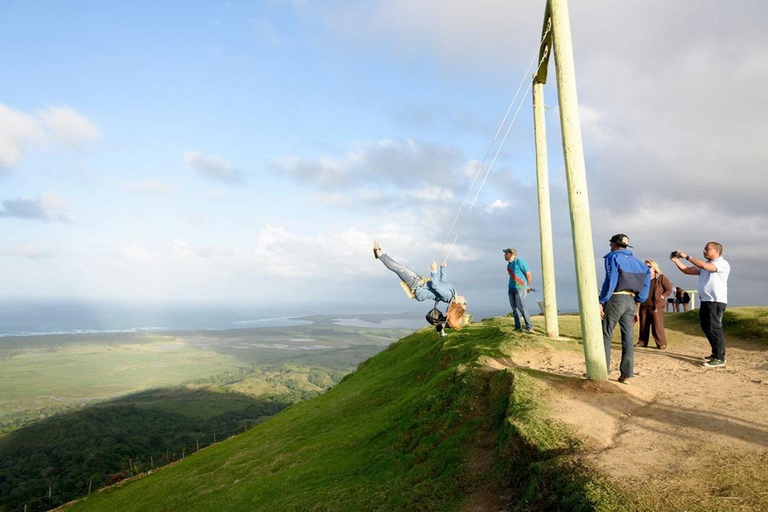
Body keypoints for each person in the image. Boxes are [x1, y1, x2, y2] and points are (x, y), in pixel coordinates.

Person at [373, 241, 467, 330]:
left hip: (418, 287)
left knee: (400, 269)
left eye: (464, 303)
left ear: (458, 303)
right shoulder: (453, 293)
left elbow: (436, 286)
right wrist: (443, 268)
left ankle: (379, 254)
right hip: (420, 283)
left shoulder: (448, 296)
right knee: (401, 269)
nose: (465, 300)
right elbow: (444, 283)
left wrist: (434, 270)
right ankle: (380, 254)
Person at [598, 234, 651, 384]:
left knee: (606, 333)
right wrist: (639, 301)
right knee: (627, 337)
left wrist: (601, 300)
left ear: (614, 245)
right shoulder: (641, 264)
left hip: (616, 298)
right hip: (631, 300)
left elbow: (610, 280)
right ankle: (626, 374)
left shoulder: (612, 257)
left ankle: (603, 370)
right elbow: (646, 284)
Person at [670, 242, 730, 368]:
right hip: (705, 301)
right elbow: (687, 270)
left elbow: (704, 266)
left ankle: (720, 358)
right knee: (706, 327)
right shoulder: (705, 265)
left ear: (717, 251)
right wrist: (675, 260)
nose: (704, 251)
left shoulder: (722, 264)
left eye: (707, 249)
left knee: (714, 328)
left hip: (716, 301)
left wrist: (686, 256)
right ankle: (715, 354)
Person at [636, 260, 674, 349]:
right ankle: (642, 342)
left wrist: (662, 296)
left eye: (649, 267)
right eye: (645, 266)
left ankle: (661, 343)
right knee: (643, 325)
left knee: (657, 325)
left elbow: (669, 288)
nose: (647, 268)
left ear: (654, 268)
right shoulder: (642, 279)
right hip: (644, 306)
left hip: (656, 306)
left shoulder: (660, 278)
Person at [503, 248, 534, 333]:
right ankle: (517, 327)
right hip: (511, 288)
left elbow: (528, 275)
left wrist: (527, 286)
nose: (504, 255)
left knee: (521, 307)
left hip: (520, 288)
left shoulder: (520, 262)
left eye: (506, 254)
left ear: (511, 254)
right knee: (514, 308)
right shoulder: (509, 265)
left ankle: (529, 327)